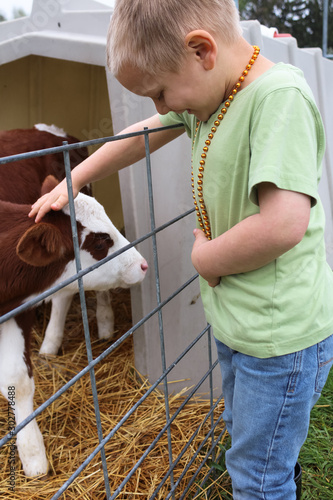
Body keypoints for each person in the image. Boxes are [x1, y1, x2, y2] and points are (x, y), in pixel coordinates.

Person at [29, 0, 333, 498]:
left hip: (281, 335)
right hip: (244, 321)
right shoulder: (214, 97)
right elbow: (141, 136)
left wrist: (205, 259)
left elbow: (282, 224)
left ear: (200, 50)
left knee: (257, 474)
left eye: (161, 92)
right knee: (255, 440)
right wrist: (76, 177)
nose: (162, 108)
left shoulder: (278, 99)